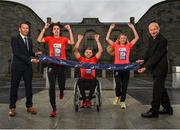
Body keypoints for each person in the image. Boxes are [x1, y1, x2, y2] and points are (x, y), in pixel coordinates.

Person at [37, 22, 75, 117]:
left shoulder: (63, 39)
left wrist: (69, 29)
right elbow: (39, 39)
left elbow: (72, 42)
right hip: (52, 65)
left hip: (61, 65)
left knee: (62, 84)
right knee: (52, 86)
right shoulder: (49, 38)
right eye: (54, 29)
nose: (56, 30)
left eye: (58, 29)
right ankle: (54, 108)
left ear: (60, 31)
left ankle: (62, 91)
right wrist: (44, 28)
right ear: (53, 31)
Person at [137, 22, 173, 118]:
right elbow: (148, 52)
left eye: (155, 29)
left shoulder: (162, 40)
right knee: (161, 89)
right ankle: (168, 109)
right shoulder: (151, 39)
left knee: (157, 90)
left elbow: (157, 56)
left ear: (158, 29)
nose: (153, 31)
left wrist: (146, 67)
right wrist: (143, 59)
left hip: (161, 69)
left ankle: (154, 111)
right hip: (155, 68)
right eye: (151, 30)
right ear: (149, 31)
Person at [9, 21, 42, 117]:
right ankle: (12, 108)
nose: (25, 30)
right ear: (20, 29)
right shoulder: (15, 39)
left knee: (29, 87)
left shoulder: (30, 40)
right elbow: (17, 53)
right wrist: (31, 59)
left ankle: (29, 106)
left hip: (27, 67)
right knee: (14, 87)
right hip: (17, 67)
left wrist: (35, 54)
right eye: (24, 28)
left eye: (27, 28)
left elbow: (28, 52)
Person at [106, 23, 139, 109]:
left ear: (126, 39)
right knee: (118, 85)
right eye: (121, 38)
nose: (123, 39)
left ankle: (123, 101)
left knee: (124, 86)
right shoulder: (116, 46)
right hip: (117, 68)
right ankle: (117, 96)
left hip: (126, 68)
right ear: (119, 39)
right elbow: (107, 39)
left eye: (124, 38)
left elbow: (136, 38)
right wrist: (110, 28)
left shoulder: (128, 46)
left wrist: (132, 27)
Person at [74, 34, 103, 107]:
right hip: (83, 81)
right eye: (87, 52)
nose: (88, 53)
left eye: (90, 52)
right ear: (84, 53)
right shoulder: (81, 59)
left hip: (91, 81)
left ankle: (89, 100)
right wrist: (79, 40)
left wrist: (97, 40)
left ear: (92, 53)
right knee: (79, 80)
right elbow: (75, 50)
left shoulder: (94, 59)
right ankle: (84, 100)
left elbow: (100, 50)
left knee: (95, 80)